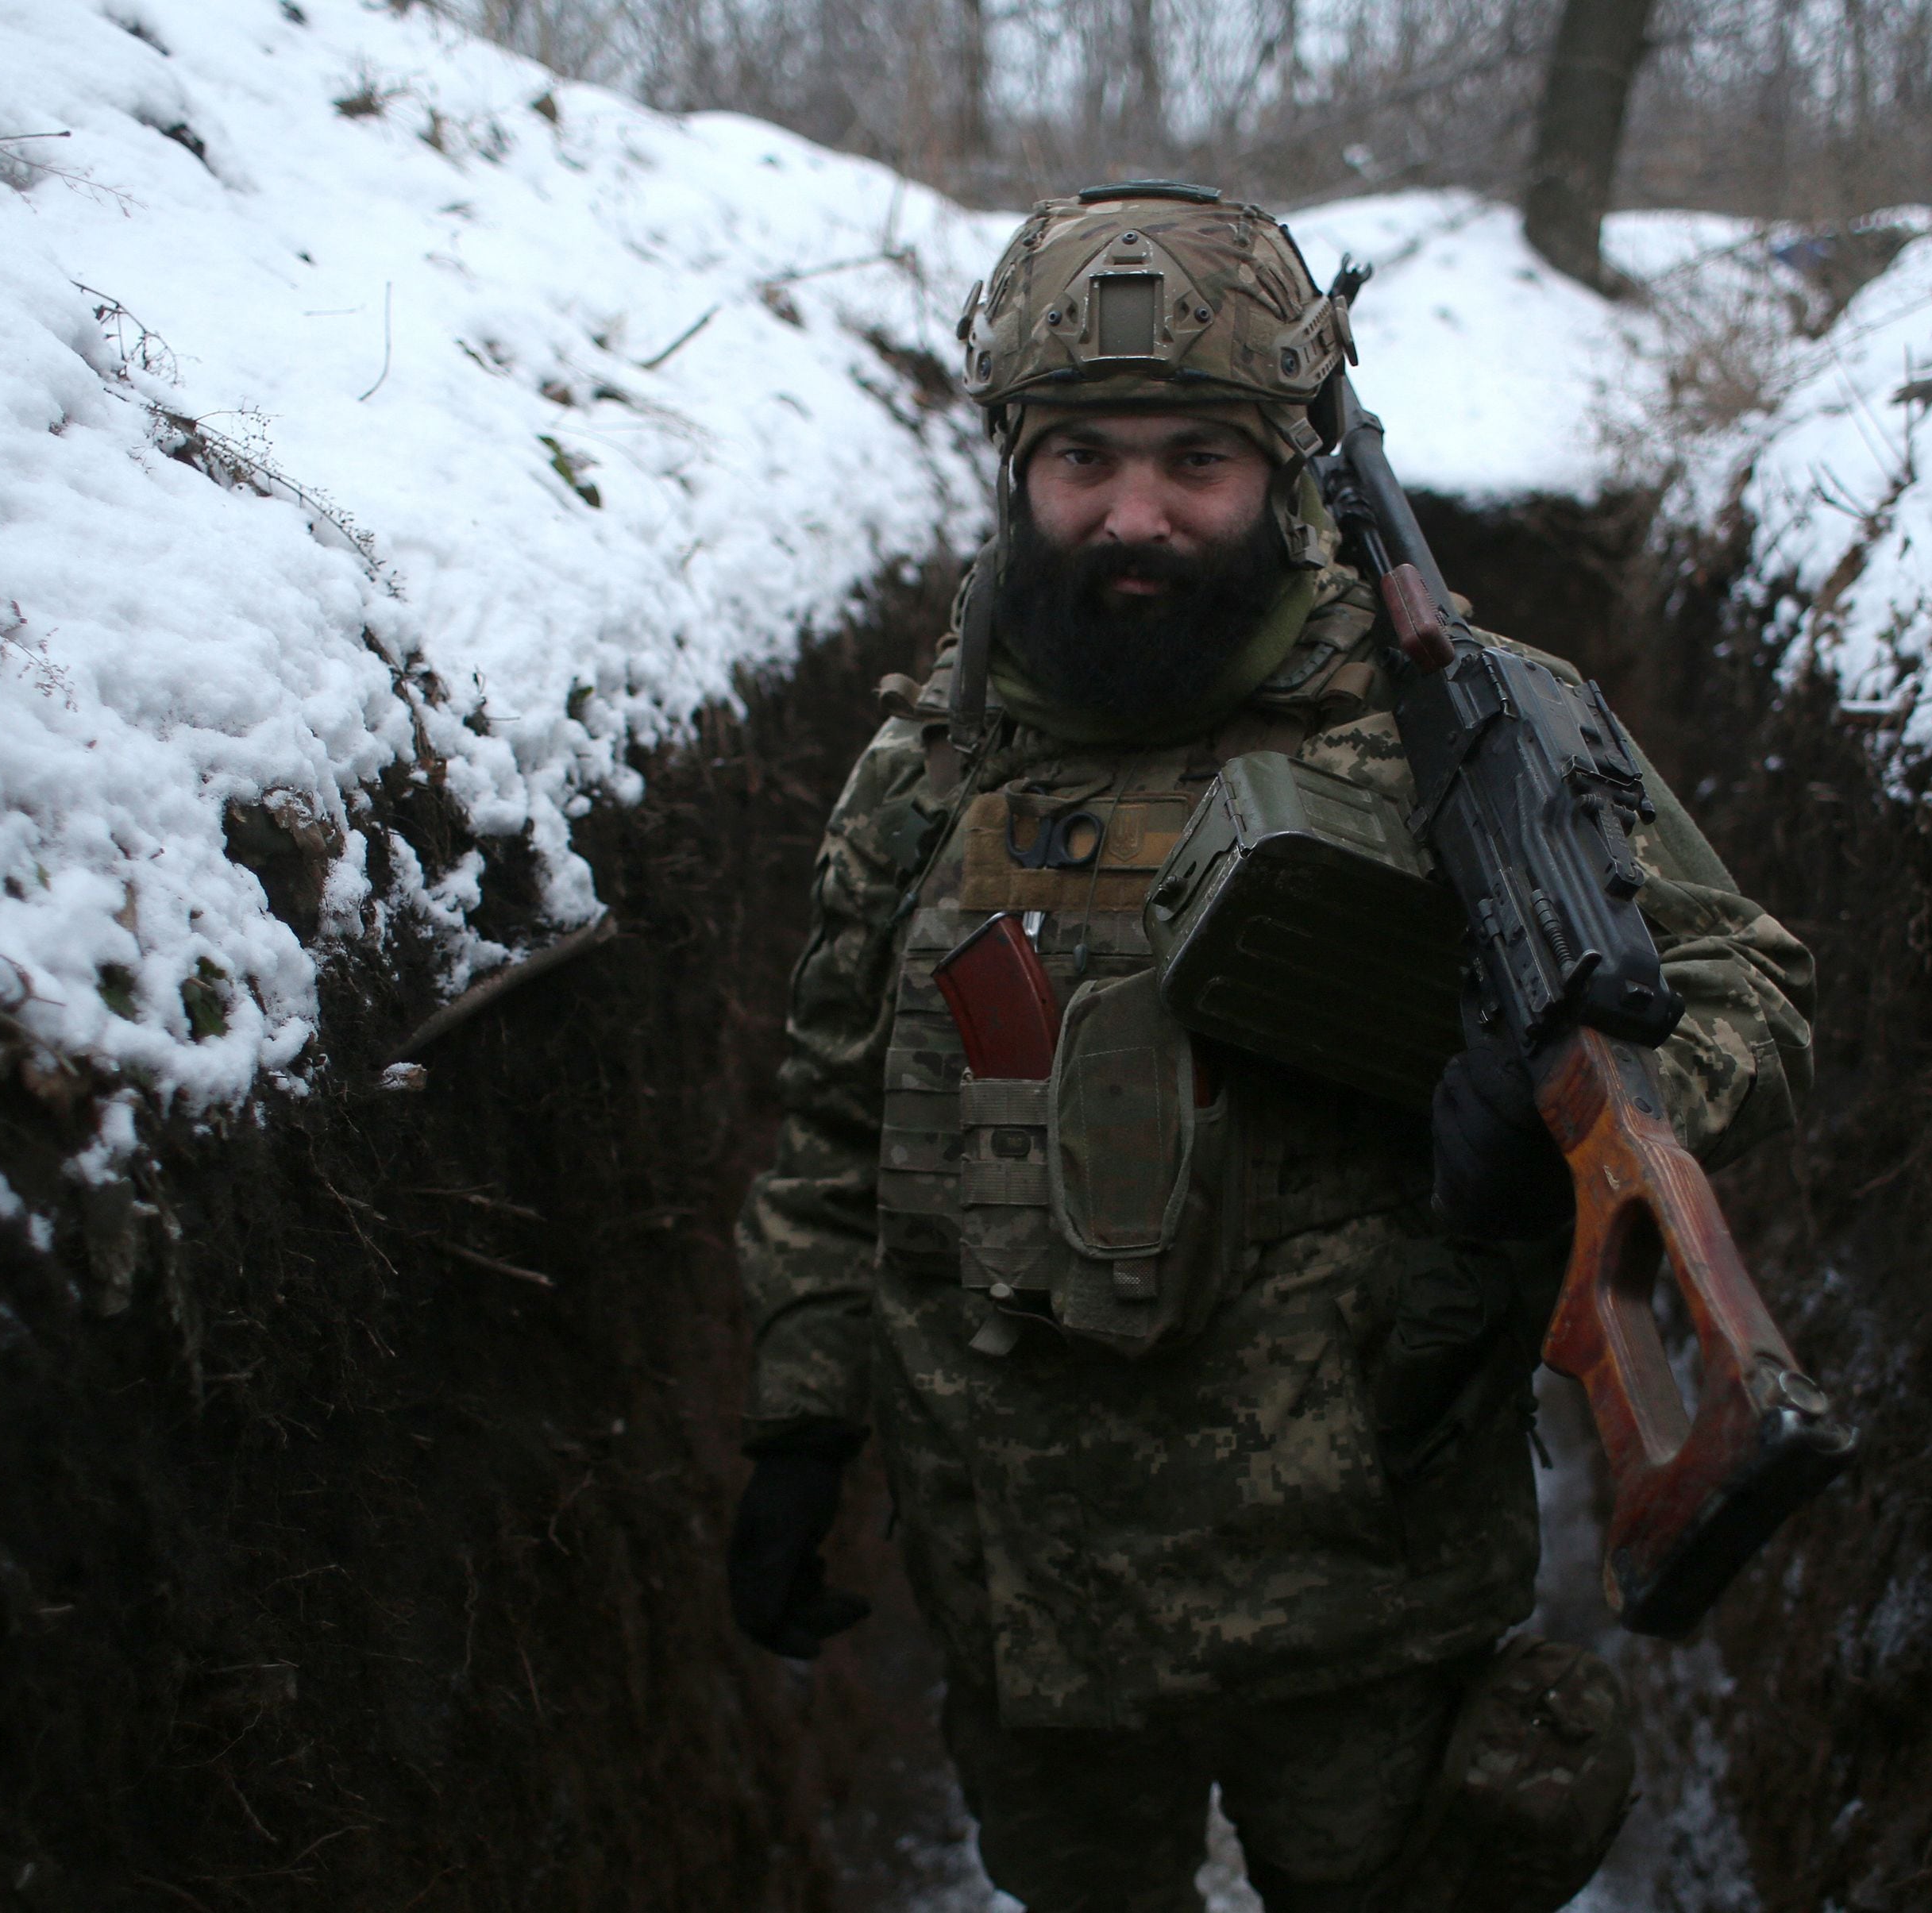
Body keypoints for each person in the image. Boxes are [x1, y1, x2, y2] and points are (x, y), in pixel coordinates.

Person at [727, 182, 1814, 1913]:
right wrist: (801, 1428)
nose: (1132, 513)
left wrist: (1563, 1114)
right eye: (1081, 458)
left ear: (1284, 467)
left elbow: (1739, 978)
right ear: (1013, 464)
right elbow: (837, 1130)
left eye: (1195, 460)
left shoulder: (1468, 729)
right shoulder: (927, 766)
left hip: (1362, 1596)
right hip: (1029, 1599)